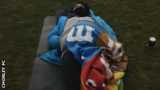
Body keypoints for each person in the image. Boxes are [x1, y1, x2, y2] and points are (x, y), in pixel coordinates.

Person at [39, 2, 128, 89]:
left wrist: (62, 40)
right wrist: (64, 40)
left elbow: (52, 40)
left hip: (89, 54)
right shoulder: (67, 21)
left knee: (96, 68)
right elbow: (110, 36)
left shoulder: (93, 20)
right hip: (74, 54)